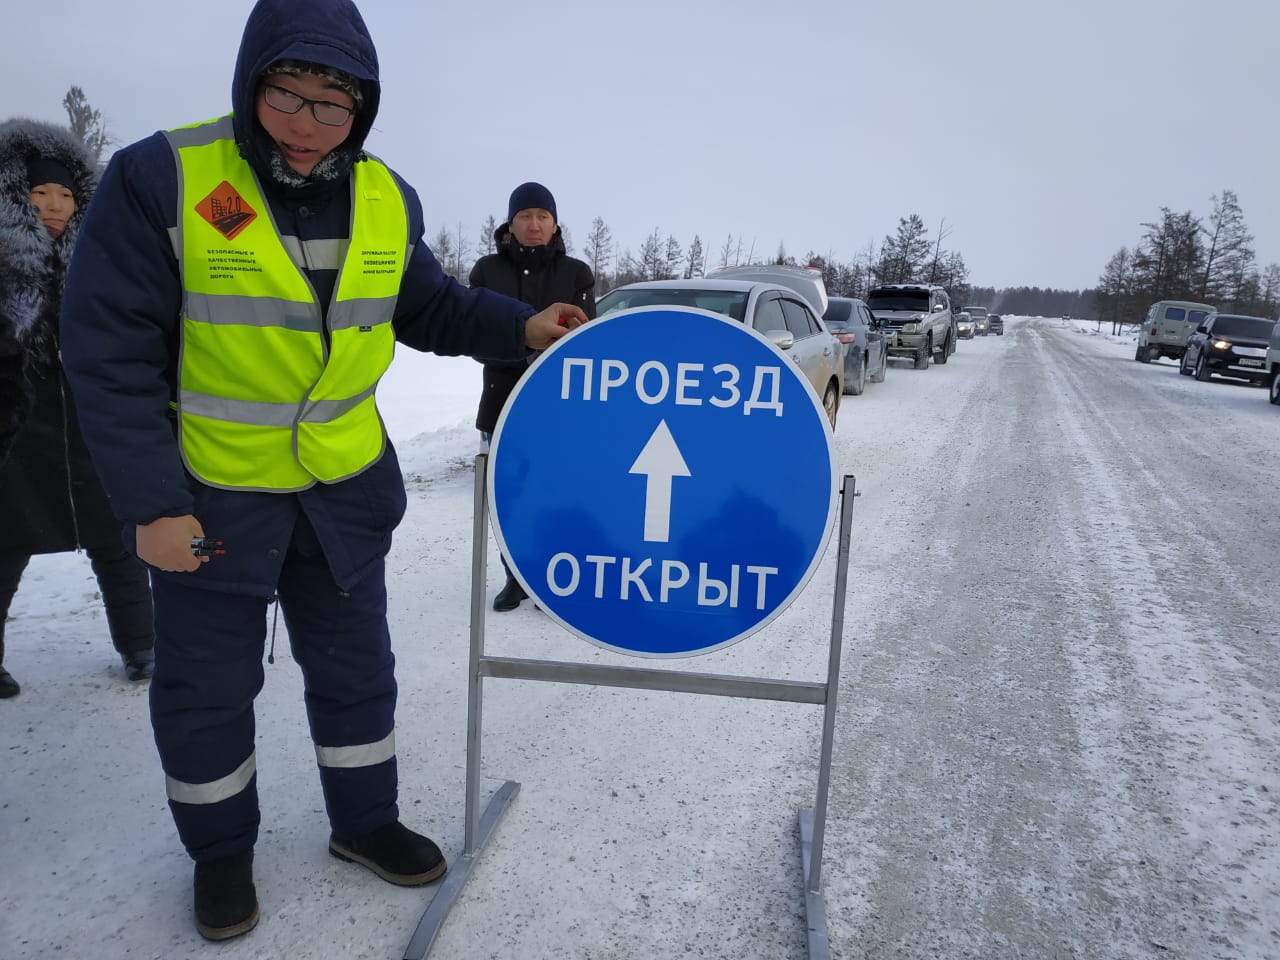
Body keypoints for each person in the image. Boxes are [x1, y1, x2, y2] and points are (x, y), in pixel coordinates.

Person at [59, 0, 586, 943]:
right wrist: (148, 502)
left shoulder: (388, 196)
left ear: (363, 110)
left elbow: (425, 306)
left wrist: (519, 325)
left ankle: (363, 822)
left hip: (342, 490)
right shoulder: (160, 178)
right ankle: (221, 857)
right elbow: (108, 352)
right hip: (210, 494)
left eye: (332, 107)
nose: (305, 126)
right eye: (287, 96)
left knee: (356, 672)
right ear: (252, 81)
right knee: (206, 687)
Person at [0, 118, 156, 700]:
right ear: (16, 194)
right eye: (40, 193)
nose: (54, 205)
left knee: (116, 539)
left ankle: (142, 645)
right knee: (5, 546)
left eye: (65, 193)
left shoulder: (100, 257)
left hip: (87, 419)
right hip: (17, 425)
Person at [471, 181, 596, 611]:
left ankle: (551, 578)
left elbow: (584, 341)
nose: (534, 224)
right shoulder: (487, 272)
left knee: (558, 496)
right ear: (511, 223)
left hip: (560, 411)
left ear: (555, 223)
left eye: (543, 216)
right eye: (525, 216)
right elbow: (474, 337)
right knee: (509, 498)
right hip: (501, 405)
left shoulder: (575, 273)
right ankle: (516, 577)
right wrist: (522, 346)